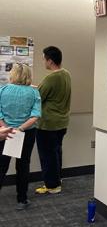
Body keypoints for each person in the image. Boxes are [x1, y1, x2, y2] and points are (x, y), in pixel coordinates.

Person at [0, 63, 41, 209]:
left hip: (5, 132)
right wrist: (20, 129)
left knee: (1, 165)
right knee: (23, 165)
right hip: (27, 132)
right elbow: (35, 115)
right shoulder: (34, 92)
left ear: (13, 74)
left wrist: (6, 127)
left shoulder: (2, 90)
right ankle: (22, 200)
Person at [35, 46, 71, 195]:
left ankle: (52, 185)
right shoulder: (66, 74)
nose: (43, 61)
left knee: (47, 155)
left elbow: (38, 97)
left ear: (50, 60)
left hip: (48, 124)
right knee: (56, 152)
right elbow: (49, 92)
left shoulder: (50, 78)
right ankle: (56, 180)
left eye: (44, 58)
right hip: (61, 123)